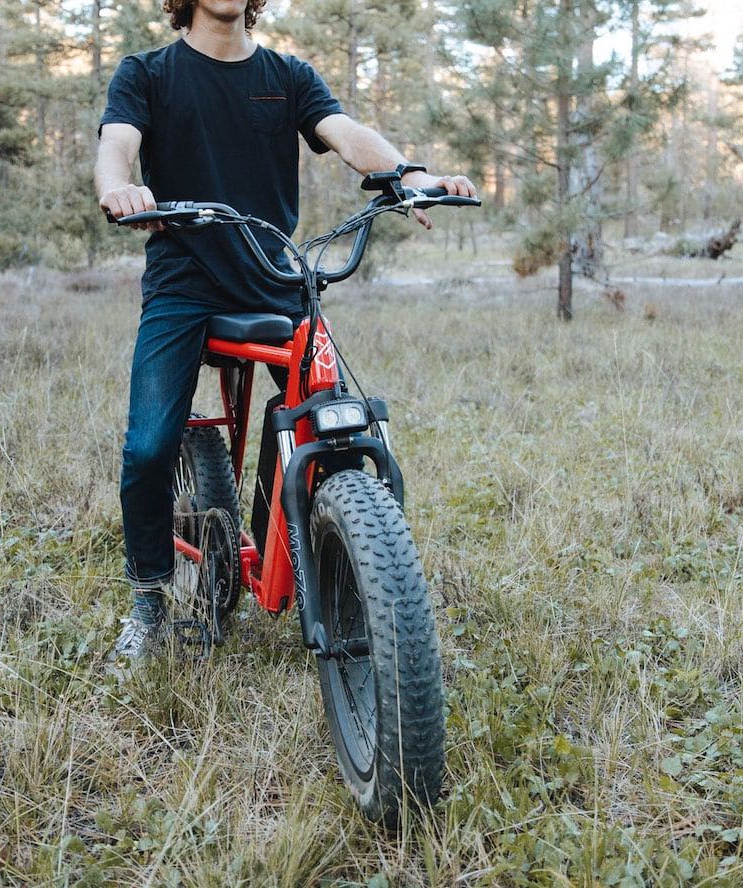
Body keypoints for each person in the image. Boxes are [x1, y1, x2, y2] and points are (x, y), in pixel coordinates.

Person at [95, 0, 477, 660]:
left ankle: (319, 561)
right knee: (150, 445)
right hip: (182, 282)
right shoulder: (148, 73)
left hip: (273, 273)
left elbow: (345, 132)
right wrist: (119, 187)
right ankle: (149, 597)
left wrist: (411, 176)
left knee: (333, 424)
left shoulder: (287, 75)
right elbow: (117, 145)